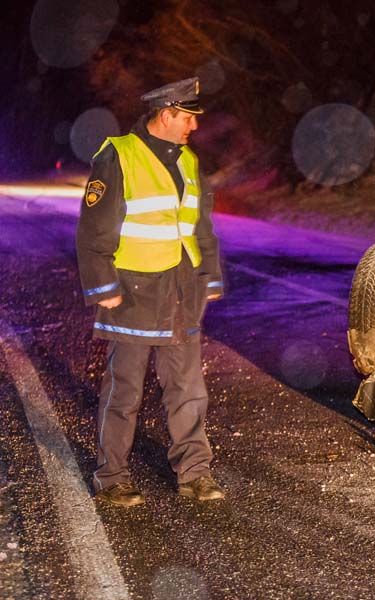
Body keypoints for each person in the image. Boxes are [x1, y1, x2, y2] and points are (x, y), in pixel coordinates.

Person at [76, 77, 225, 506]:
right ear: (166, 115)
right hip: (133, 293)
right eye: (188, 118)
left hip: (182, 291)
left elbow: (200, 227)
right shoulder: (118, 155)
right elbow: (94, 228)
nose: (193, 127)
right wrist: (103, 286)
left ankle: (194, 473)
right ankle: (111, 477)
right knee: (124, 390)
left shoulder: (189, 162)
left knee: (188, 388)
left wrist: (209, 276)